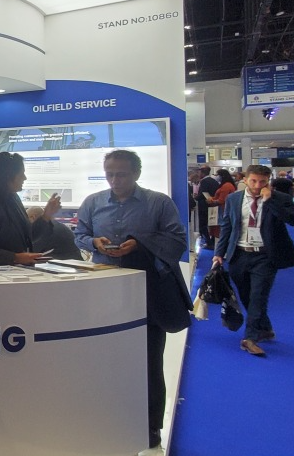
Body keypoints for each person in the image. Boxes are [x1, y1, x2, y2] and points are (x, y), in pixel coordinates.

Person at [74, 150, 188, 450]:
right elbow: (80, 233)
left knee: (149, 361)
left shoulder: (158, 203)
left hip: (147, 294)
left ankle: (150, 427)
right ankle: (109, 417)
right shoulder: (93, 202)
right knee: (104, 360)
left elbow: (177, 241)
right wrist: (93, 242)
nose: (115, 180)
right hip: (103, 294)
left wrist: (140, 244)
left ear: (136, 173)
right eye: (109, 174)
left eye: (121, 174)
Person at [212, 165, 294, 357]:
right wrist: (219, 253)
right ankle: (264, 328)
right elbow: (227, 225)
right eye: (253, 181)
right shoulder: (234, 199)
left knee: (258, 296)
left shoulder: (280, 198)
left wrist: (270, 201)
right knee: (246, 295)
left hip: (265, 256)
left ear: (268, 181)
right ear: (245, 180)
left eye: (262, 181)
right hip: (239, 254)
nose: (257, 185)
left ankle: (250, 338)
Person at [205, 169, 238, 244]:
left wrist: (212, 201)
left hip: (222, 211)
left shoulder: (226, 186)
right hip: (223, 210)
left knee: (220, 231)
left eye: (217, 175)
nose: (216, 176)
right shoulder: (227, 185)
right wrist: (213, 199)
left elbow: (222, 200)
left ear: (222, 176)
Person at [195, 166, 220, 249]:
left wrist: (196, 197)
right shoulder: (214, 181)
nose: (198, 174)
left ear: (202, 173)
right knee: (212, 224)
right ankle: (212, 241)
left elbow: (202, 194)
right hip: (212, 205)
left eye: (199, 173)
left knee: (203, 225)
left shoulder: (204, 181)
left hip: (204, 206)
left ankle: (208, 242)